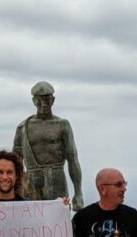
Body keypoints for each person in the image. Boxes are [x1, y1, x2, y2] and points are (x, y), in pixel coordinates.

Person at [13, 81, 84, 210]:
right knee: (31, 219)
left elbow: (73, 159)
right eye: (39, 100)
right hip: (32, 181)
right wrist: (16, 190)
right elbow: (15, 163)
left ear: (53, 100)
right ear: (34, 101)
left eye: (47, 99)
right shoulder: (23, 127)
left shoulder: (62, 125)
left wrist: (78, 193)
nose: (44, 104)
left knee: (58, 218)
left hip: (56, 179)